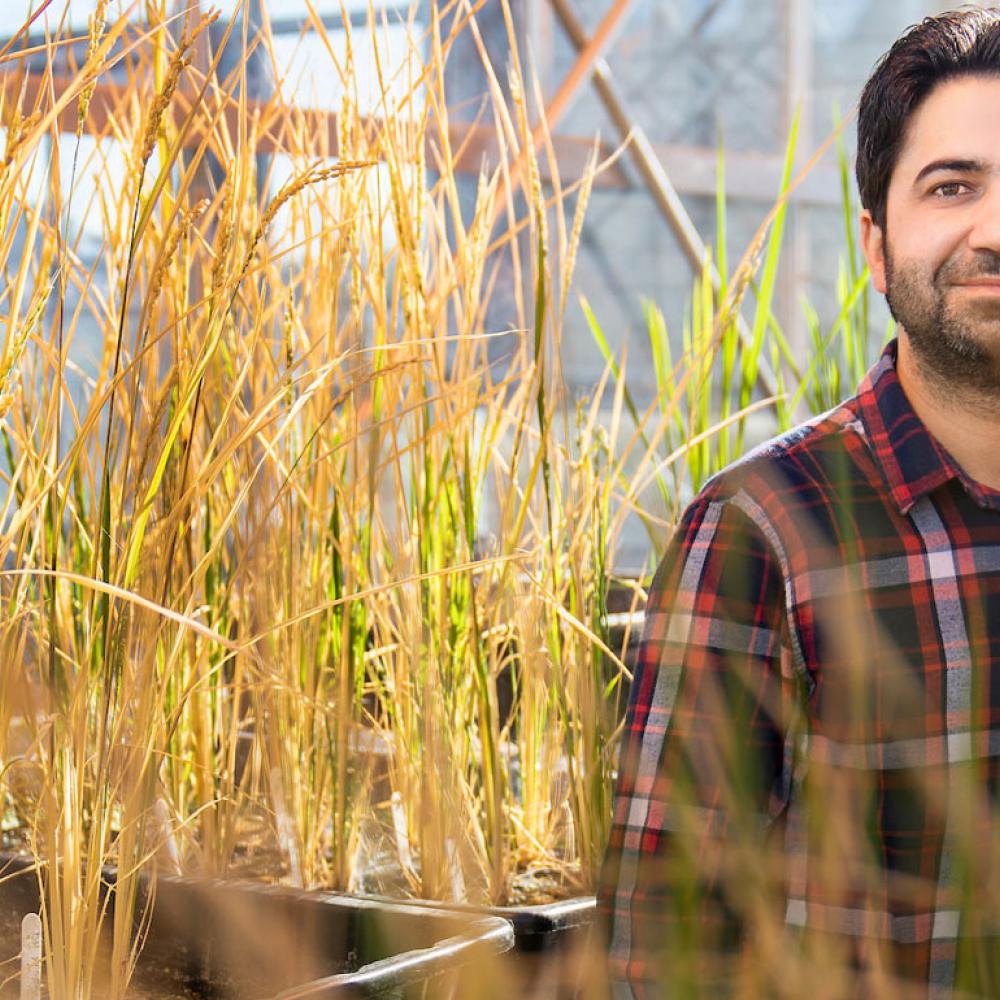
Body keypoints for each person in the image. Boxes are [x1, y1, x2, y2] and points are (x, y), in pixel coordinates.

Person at [598, 9, 1000, 997]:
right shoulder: (764, 533)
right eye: (952, 186)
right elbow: (660, 951)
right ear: (874, 245)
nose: (995, 230)